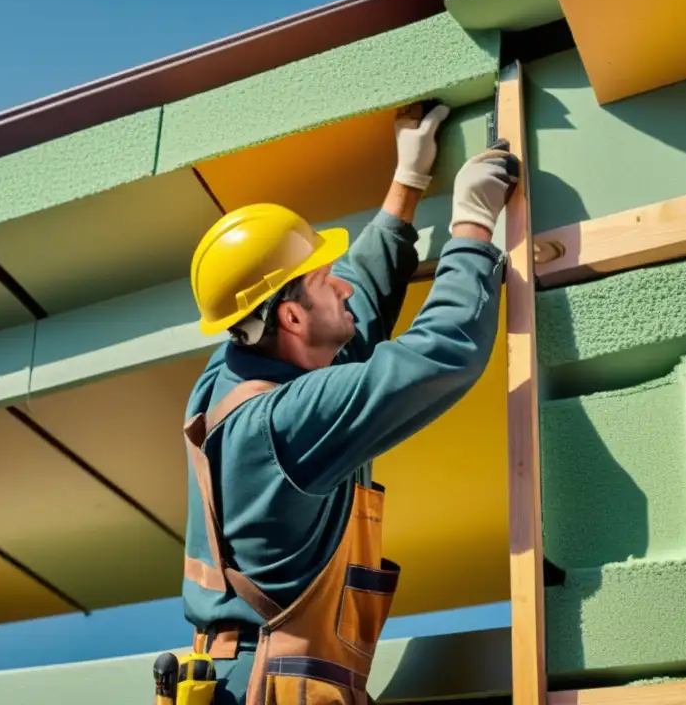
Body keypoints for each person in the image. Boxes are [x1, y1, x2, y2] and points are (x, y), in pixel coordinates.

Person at [181, 100, 519, 704]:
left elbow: (349, 310)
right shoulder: (282, 423)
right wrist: (471, 228)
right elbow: (441, 352)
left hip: (249, 676)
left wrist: (408, 182)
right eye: (321, 278)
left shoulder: (234, 370)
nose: (340, 283)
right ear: (287, 316)